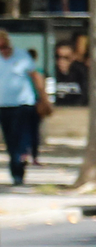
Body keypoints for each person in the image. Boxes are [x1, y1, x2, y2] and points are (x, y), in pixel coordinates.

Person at [0, 37, 49, 186]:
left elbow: (36, 77)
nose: (3, 51)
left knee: (19, 137)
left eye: (5, 47)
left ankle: (18, 171)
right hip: (3, 106)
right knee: (10, 140)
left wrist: (43, 97)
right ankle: (18, 162)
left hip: (23, 104)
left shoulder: (23, 56)